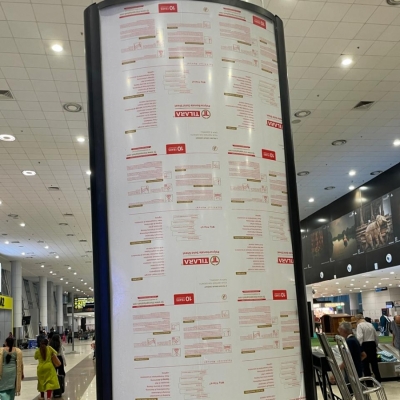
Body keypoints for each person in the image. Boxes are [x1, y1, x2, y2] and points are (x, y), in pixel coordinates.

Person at [355, 314, 382, 383]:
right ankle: (378, 380)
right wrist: (376, 345)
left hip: (365, 344)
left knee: (365, 364)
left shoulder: (359, 325)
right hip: (372, 344)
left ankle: (369, 382)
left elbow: (360, 337)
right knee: (374, 364)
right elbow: (376, 336)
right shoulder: (370, 324)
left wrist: (358, 347)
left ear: (358, 319)